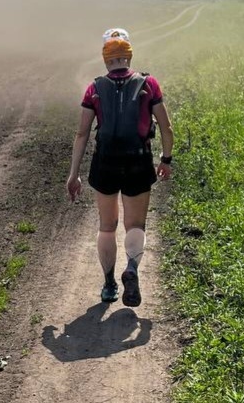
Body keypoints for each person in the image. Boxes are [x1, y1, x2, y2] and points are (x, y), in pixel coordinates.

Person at [66, 28, 174, 307]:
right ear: (129, 55)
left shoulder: (94, 88)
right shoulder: (149, 84)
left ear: (105, 59)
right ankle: (132, 269)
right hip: (138, 160)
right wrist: (166, 159)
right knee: (135, 224)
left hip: (105, 162)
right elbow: (166, 128)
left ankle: (108, 285)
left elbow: (81, 134)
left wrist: (74, 174)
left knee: (107, 226)